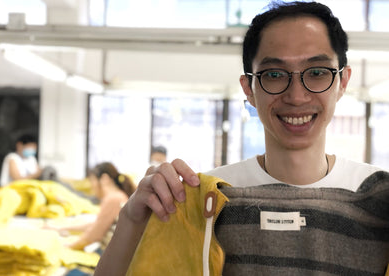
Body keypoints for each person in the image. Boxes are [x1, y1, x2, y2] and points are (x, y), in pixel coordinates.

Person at [94, 1, 388, 275]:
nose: (297, 96)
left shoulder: (379, 200)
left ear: (342, 81)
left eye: (317, 72)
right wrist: (132, 219)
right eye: (274, 75)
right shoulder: (204, 202)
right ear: (249, 88)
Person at [46, 162, 136, 251]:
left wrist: (68, 247)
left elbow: (94, 235)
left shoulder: (114, 198)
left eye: (92, 180)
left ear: (104, 179)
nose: (91, 186)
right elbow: (96, 225)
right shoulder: (118, 197)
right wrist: (62, 228)